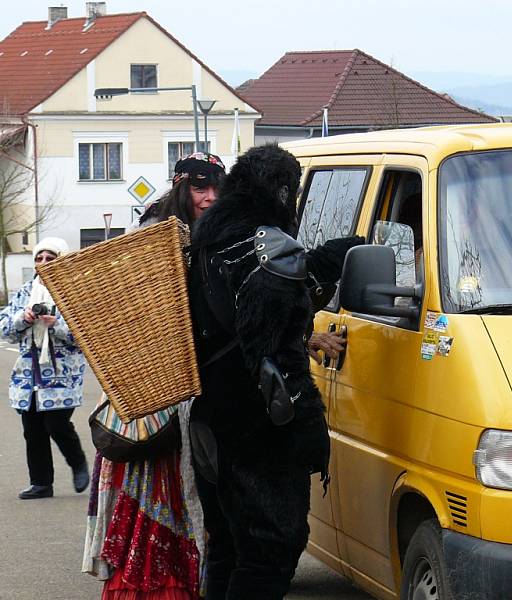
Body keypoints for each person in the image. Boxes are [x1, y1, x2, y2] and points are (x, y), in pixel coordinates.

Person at [188, 144, 362, 600]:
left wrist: (320, 261)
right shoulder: (268, 249)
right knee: (272, 549)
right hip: (257, 431)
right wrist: (308, 432)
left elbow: (251, 307)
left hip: (208, 418)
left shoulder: (204, 243)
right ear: (283, 191)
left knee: (226, 545)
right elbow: (276, 362)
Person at [82, 151, 227, 600]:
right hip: (155, 390)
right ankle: (151, 585)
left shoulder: (214, 233)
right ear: (183, 187)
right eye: (200, 188)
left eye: (216, 188)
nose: (210, 197)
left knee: (191, 493)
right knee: (161, 483)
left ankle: (183, 579)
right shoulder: (155, 234)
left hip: (193, 383)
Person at [0, 237, 89, 500]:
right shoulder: (26, 292)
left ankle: (78, 464)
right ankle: (41, 483)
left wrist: (56, 325)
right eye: (39, 258)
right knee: (32, 429)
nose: (44, 263)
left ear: (62, 259)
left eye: (51, 258)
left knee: (56, 424)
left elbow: (84, 334)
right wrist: (23, 318)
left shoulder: (74, 292)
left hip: (62, 373)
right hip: (29, 375)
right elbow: (5, 329)